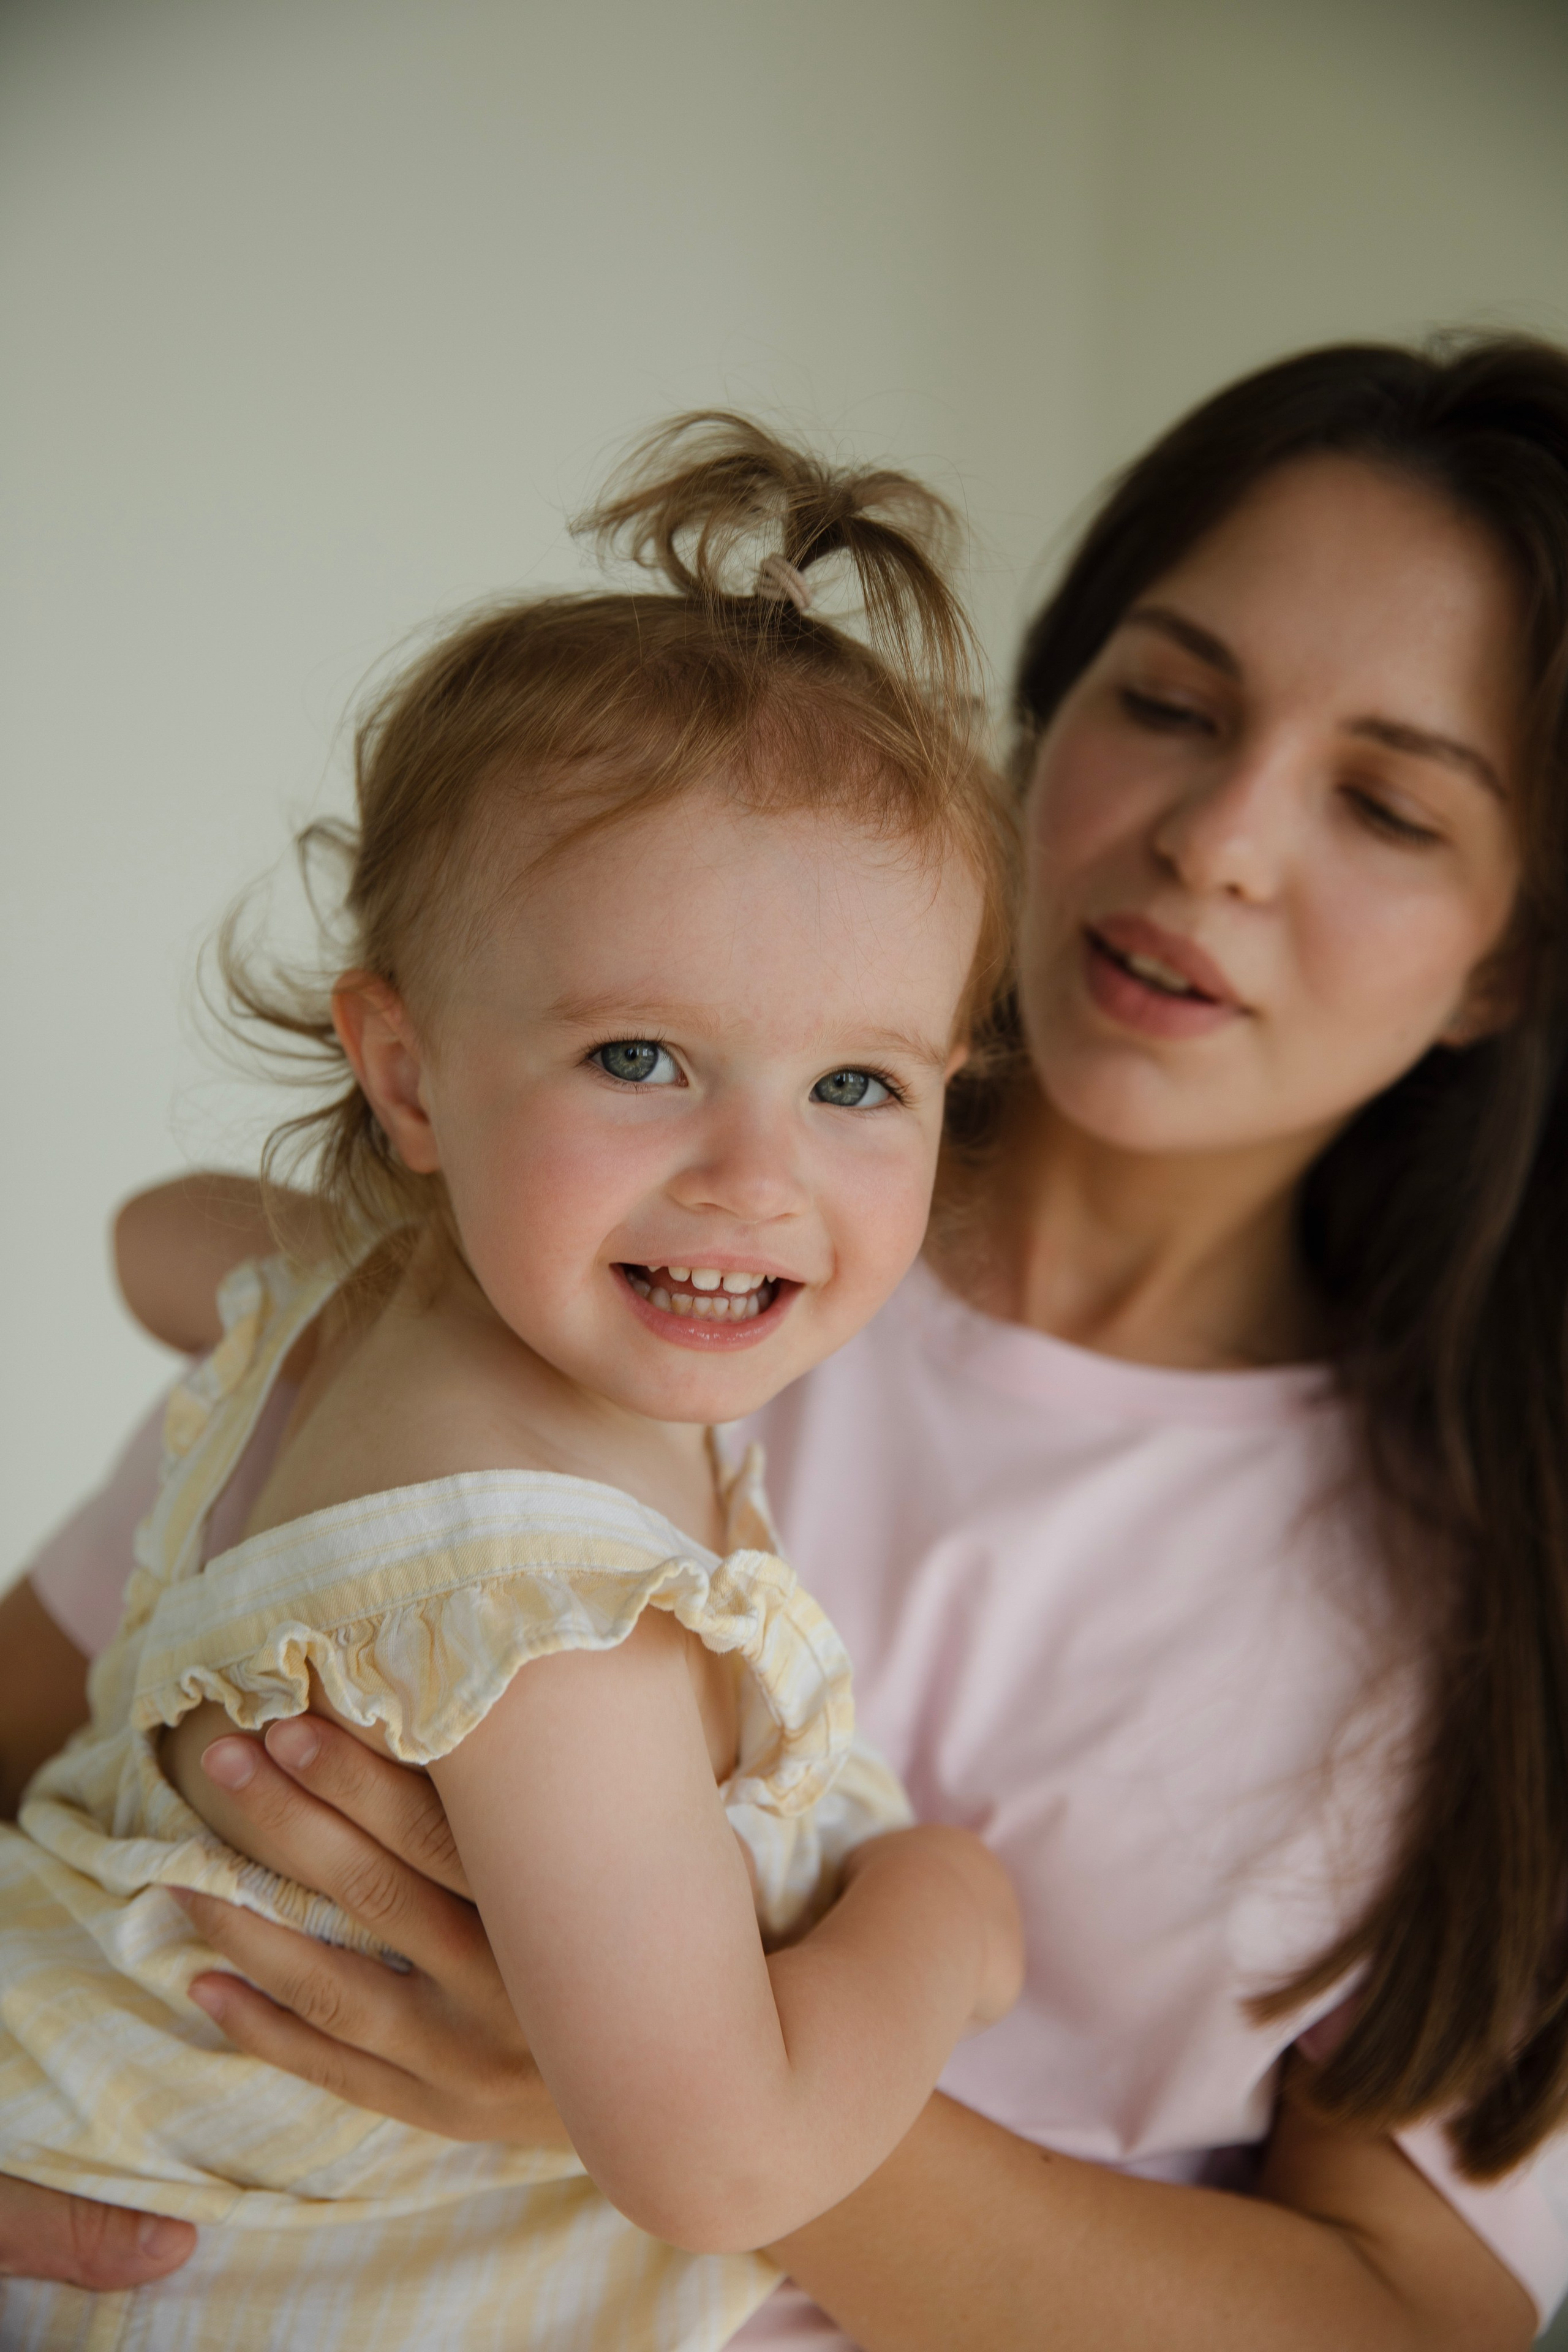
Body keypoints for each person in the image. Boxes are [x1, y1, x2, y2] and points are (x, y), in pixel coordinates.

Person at [4, 333, 1565, 2350]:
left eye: (1386, 803)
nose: (1221, 838)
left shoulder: (1499, 1586)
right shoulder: (534, 1290)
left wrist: (577, 2058)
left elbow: (1409, 2323)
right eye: (1169, 702)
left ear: (1514, 950)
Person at [0, 415, 1024, 2351]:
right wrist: (942, 1916)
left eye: (859, 1085)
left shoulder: (349, 1292)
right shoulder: (548, 1617)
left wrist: (433, 1193)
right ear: (400, 1069)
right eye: (641, 1058)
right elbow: (722, 2164)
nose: (758, 1176)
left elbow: (157, 1237)